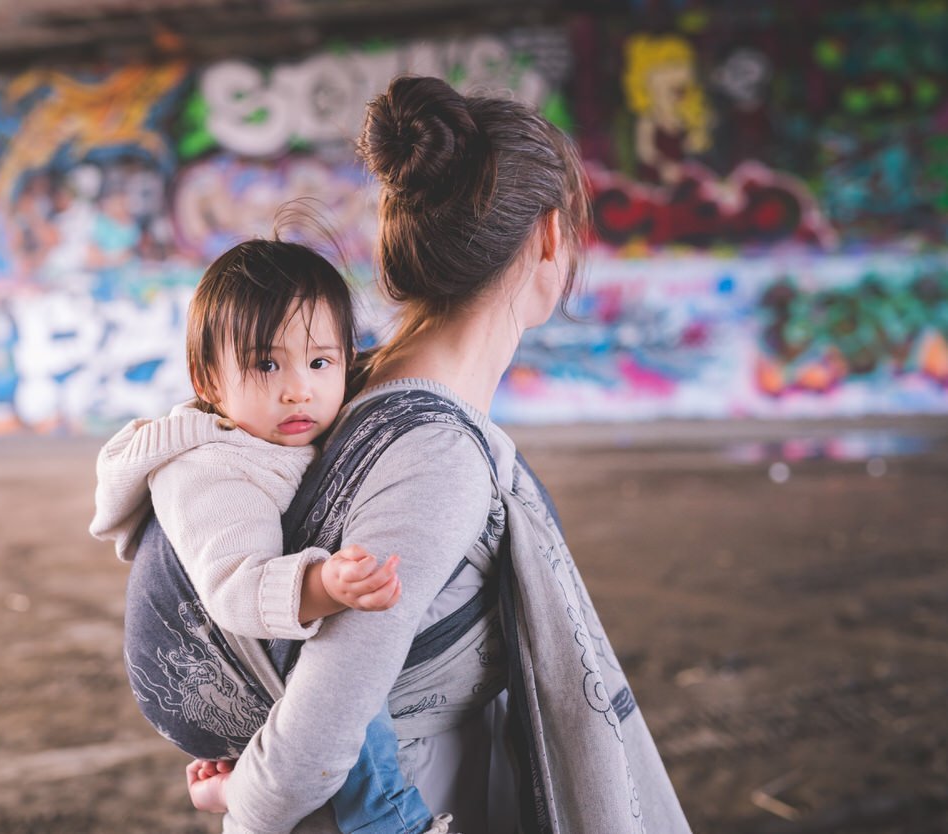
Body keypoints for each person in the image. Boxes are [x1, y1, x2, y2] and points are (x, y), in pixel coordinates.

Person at [181, 76, 694, 834]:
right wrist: (245, 805)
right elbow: (317, 736)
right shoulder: (437, 455)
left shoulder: (346, 390)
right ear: (548, 235)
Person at [89, 237, 452, 834]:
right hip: (198, 668)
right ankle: (390, 821)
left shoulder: (279, 426)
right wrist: (324, 584)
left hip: (228, 665)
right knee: (346, 682)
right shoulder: (211, 469)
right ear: (208, 377)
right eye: (265, 364)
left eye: (319, 362)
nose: (297, 389)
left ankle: (237, 782)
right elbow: (237, 590)